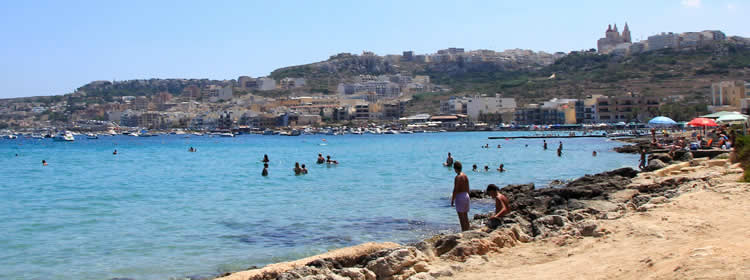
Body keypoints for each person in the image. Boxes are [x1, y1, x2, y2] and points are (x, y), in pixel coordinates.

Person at [450, 161, 471, 231]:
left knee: (461, 217)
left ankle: (464, 231)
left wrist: (452, 199)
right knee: (465, 216)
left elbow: (455, 189)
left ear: (455, 168)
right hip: (466, 195)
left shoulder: (457, 177)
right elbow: (468, 188)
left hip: (460, 196)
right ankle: (468, 230)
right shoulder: (465, 176)